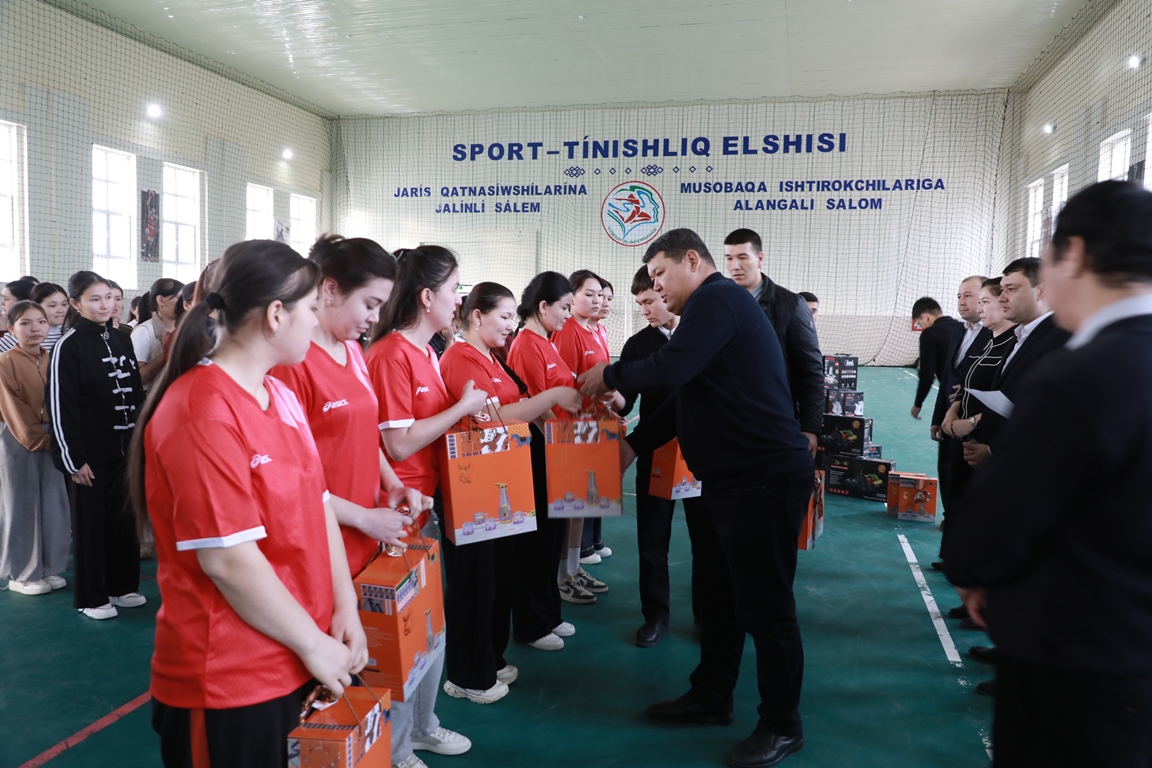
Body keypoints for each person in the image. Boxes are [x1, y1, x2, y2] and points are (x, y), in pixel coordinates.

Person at [580, 228, 814, 768]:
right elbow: (685, 398)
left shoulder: (717, 300)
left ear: (691, 260)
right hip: (731, 482)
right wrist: (633, 446)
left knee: (767, 608)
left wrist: (609, 374)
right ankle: (712, 695)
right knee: (721, 598)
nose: (658, 288)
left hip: (763, 480)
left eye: (660, 274)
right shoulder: (712, 309)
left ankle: (783, 724)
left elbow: (670, 370)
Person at [127, 240, 366, 767]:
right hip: (232, 678)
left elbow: (319, 502)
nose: (316, 321)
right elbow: (229, 560)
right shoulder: (201, 411)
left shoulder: (279, 394)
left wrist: (343, 606)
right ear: (276, 315)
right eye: (311, 309)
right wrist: (312, 643)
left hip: (297, 650)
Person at [943, 180, 1152, 767]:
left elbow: (999, 516)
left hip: (1076, 661)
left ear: (1075, 254)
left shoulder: (1080, 374)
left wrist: (975, 572)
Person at [438, 282, 581, 703]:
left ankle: (491, 655)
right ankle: (468, 674)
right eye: (503, 317)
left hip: (499, 477)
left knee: (497, 577)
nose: (509, 325)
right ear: (476, 316)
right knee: (474, 583)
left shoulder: (491, 357)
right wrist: (552, 396)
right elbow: (493, 417)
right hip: (472, 484)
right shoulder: (460, 358)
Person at [366, 245, 478, 768]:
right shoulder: (390, 354)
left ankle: (423, 727)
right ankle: (398, 746)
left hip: (424, 510)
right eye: (454, 288)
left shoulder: (428, 353)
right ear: (427, 296)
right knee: (404, 637)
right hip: (398, 515)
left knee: (430, 630)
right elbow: (397, 444)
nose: (460, 298)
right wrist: (462, 407)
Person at [48, 271, 144, 620]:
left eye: (109, 298)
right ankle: (91, 596)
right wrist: (73, 460)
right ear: (76, 304)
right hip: (88, 456)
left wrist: (138, 448)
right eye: (95, 299)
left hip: (124, 452)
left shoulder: (121, 339)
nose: (105, 305)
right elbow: (61, 407)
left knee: (124, 520)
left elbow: (136, 395)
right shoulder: (68, 345)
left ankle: (122, 586)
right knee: (90, 526)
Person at [618, 265, 705, 648]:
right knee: (653, 542)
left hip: (699, 456)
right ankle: (655, 616)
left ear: (667, 294)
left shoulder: (700, 337)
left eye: (650, 301)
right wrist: (611, 395)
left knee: (707, 541)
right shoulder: (638, 345)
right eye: (639, 303)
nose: (645, 310)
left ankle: (707, 615)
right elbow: (626, 401)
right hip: (654, 454)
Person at [505, 271, 583, 648]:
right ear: (543, 307)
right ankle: (531, 624)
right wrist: (563, 440)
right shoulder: (525, 345)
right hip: (539, 449)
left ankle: (550, 614)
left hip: (556, 447)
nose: (569, 314)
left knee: (552, 538)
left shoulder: (547, 341)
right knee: (536, 542)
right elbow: (536, 407)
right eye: (564, 307)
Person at [961, 257, 1071, 467]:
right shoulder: (1021, 335)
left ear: (1042, 291)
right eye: (1002, 290)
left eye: (1011, 289)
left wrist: (994, 452)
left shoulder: (1060, 338)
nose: (1002, 298)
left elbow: (1053, 416)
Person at [723, 229, 823, 454]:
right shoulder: (720, 302)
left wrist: (810, 427)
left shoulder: (791, 304)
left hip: (775, 421)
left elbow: (810, 371)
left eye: (742, 257)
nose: (735, 266)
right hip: (730, 422)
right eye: (729, 258)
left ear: (760, 258)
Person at [0, 301, 70, 596]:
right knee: (21, 505)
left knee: (54, 503)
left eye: (40, 321)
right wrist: (41, 439)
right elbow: (12, 408)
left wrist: (62, 437)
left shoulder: (54, 358)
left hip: (54, 437)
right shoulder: (5, 362)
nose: (35, 328)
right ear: (11, 328)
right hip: (18, 438)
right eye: (25, 323)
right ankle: (22, 574)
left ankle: (49, 567)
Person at [553, 270, 621, 571]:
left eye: (602, 296)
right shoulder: (568, 331)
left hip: (596, 421)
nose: (598, 301)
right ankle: (572, 561)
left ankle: (582, 552)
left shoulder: (595, 329)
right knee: (575, 497)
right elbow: (566, 384)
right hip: (576, 424)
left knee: (590, 491)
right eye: (590, 294)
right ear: (571, 297)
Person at [910, 297, 963, 420]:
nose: (922, 327)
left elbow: (927, 375)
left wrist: (918, 403)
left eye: (920, 323)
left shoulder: (929, 334)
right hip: (967, 393)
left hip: (951, 394)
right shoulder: (962, 327)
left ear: (926, 317)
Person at [131, 277, 183, 389]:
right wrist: (166, 352)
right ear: (161, 300)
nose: (183, 303)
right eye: (178, 298)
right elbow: (138, 378)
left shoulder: (183, 329)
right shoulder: (143, 331)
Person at [29, 282, 69, 352]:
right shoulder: (24, 333)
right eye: (52, 306)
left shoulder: (71, 331)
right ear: (36, 306)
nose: (60, 310)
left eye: (64, 304)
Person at [0, 279, 37, 354]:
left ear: (22, 302)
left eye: (6, 299)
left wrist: (2, 331)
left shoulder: (21, 333)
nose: (2, 302)